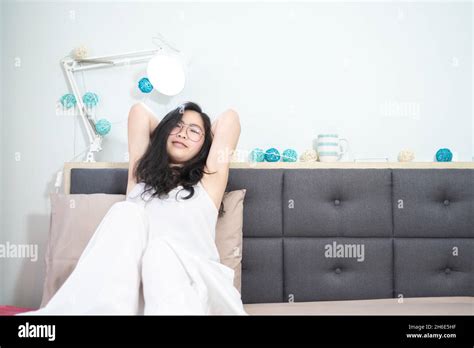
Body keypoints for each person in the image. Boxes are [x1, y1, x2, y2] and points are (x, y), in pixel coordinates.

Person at [19, 101, 247, 315]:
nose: (183, 133)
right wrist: (170, 133)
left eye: (194, 131)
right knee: (125, 212)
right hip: (132, 291)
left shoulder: (209, 181)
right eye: (176, 127)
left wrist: (193, 138)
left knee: (159, 253)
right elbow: (139, 112)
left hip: (189, 284)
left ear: (206, 145)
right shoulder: (140, 178)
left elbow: (230, 119)